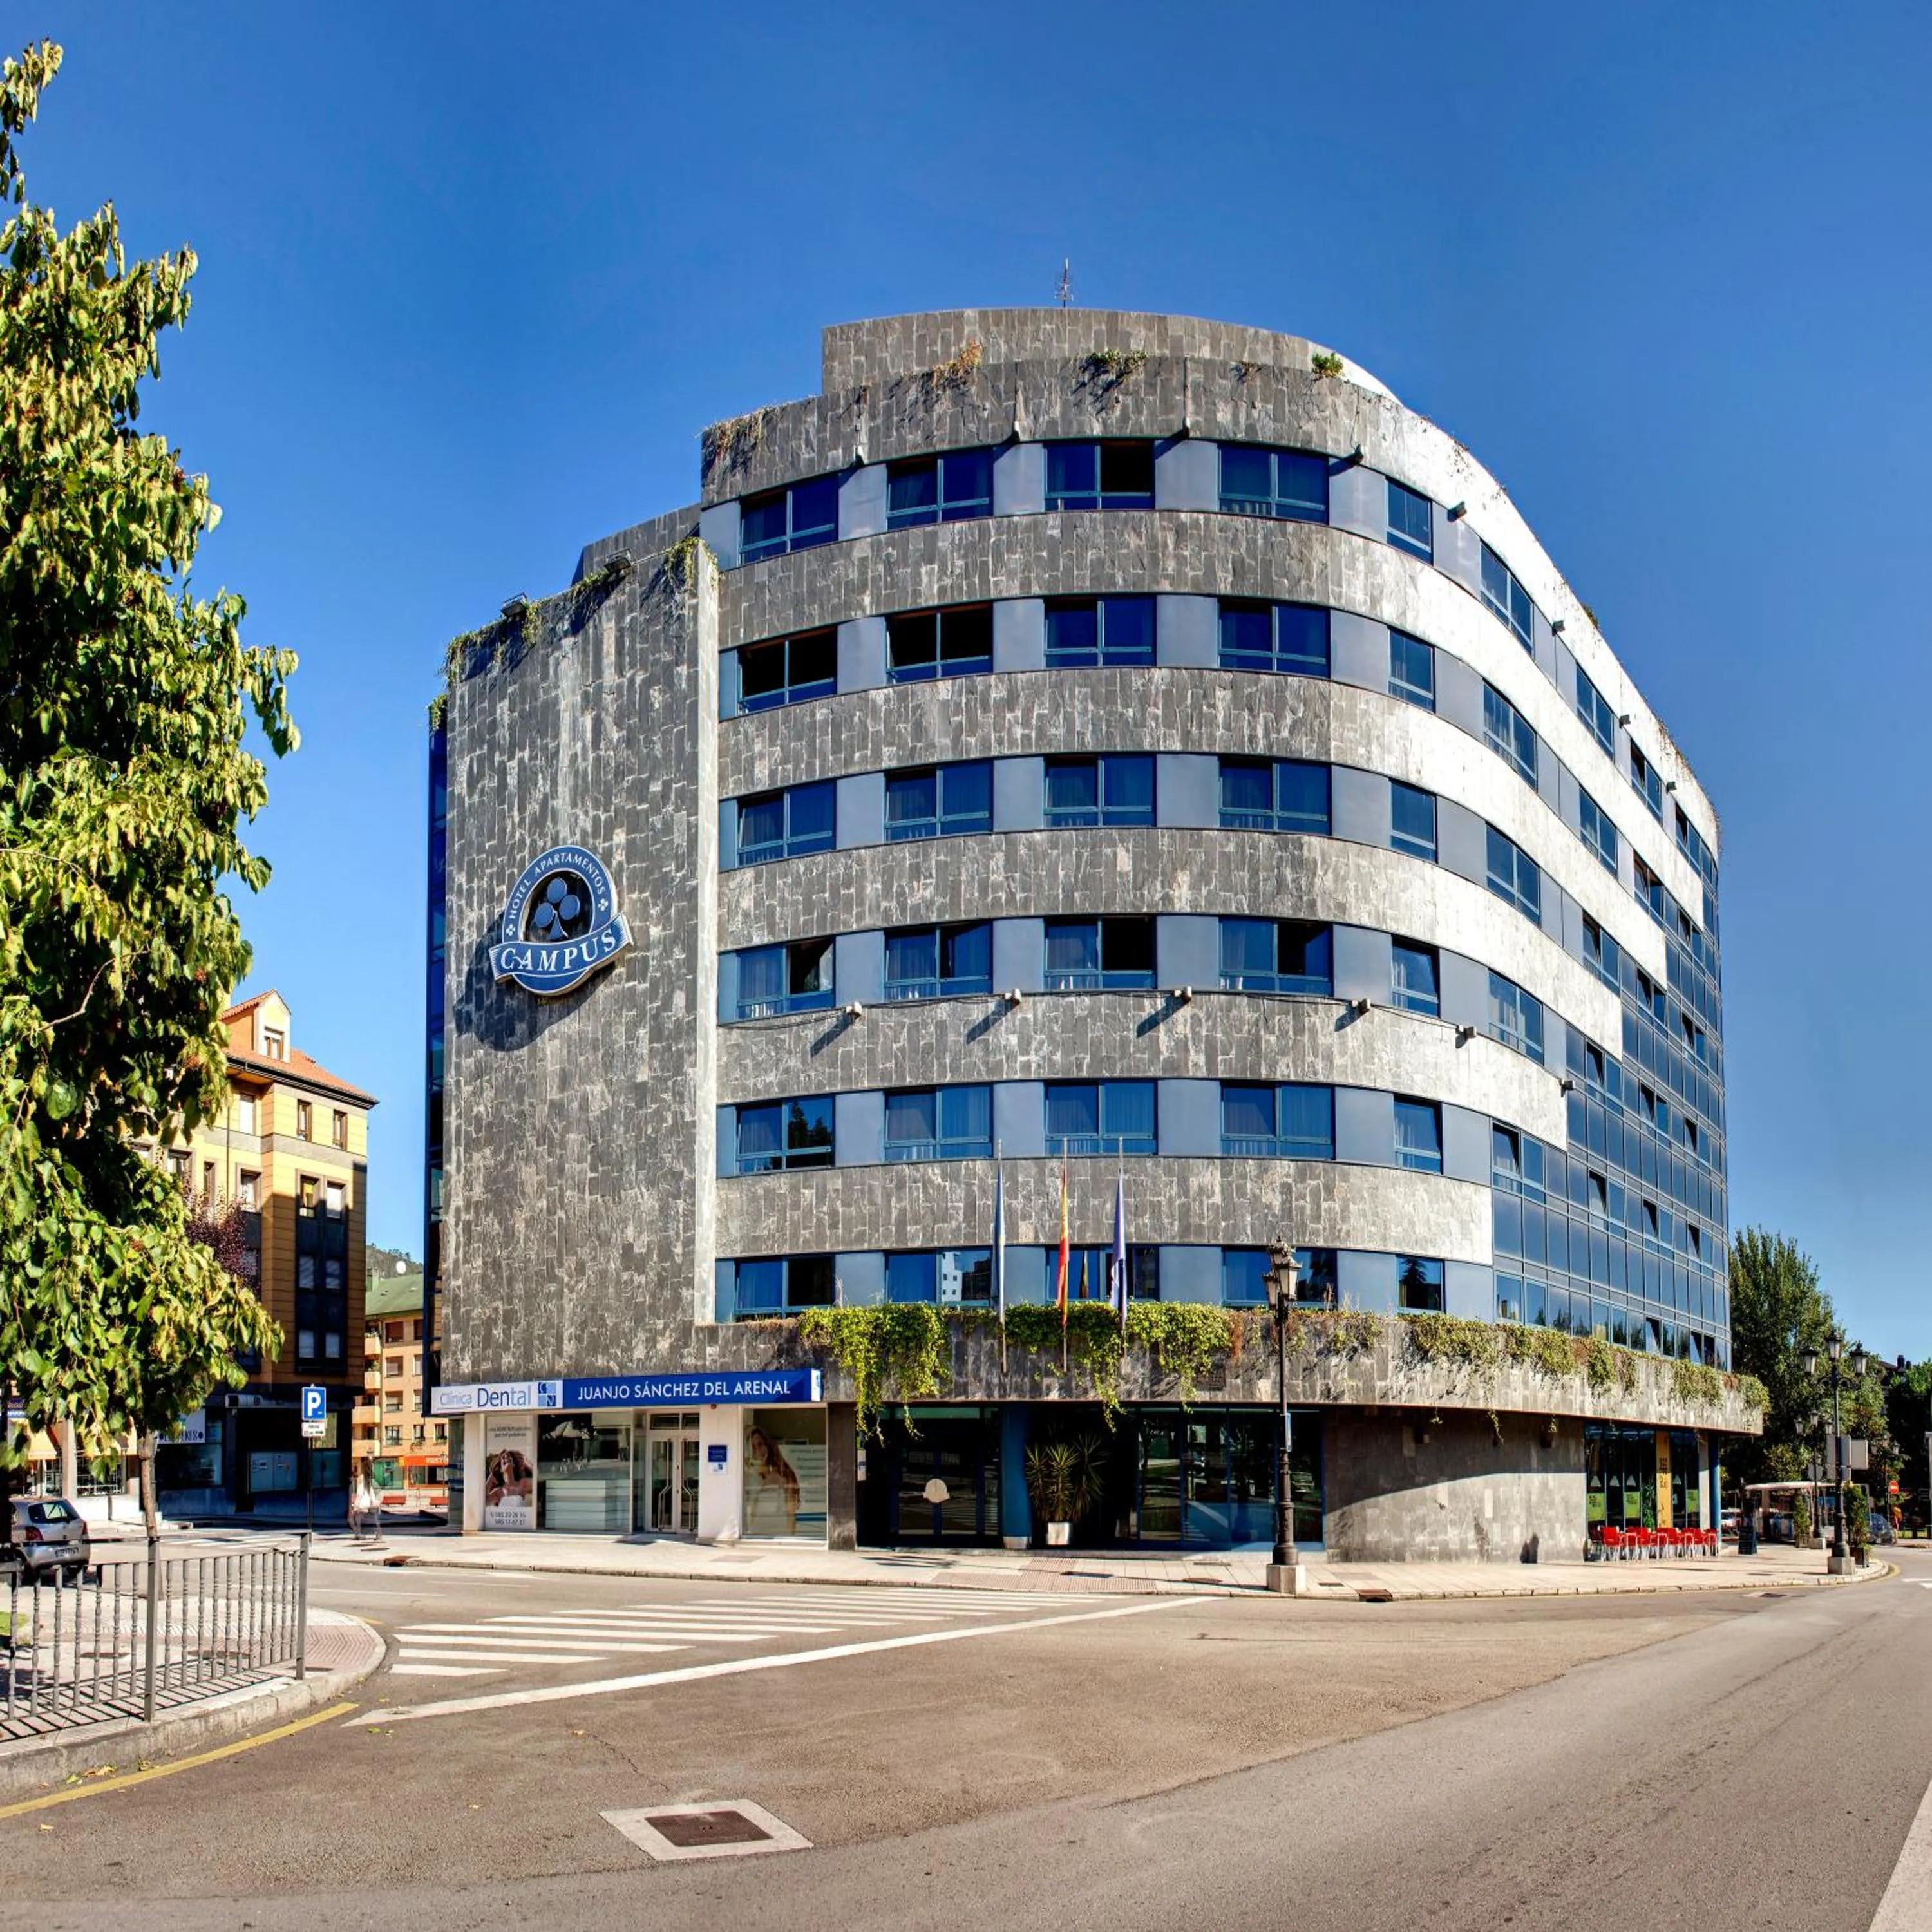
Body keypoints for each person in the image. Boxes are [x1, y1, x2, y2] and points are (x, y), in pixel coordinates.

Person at [744, 1427, 800, 1537]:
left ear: (769, 1445)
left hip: (779, 1534)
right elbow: (752, 1513)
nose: (758, 1451)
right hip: (757, 1533)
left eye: (760, 1445)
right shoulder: (753, 1476)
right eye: (753, 1448)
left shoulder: (785, 1474)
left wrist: (790, 1539)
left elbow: (791, 1514)